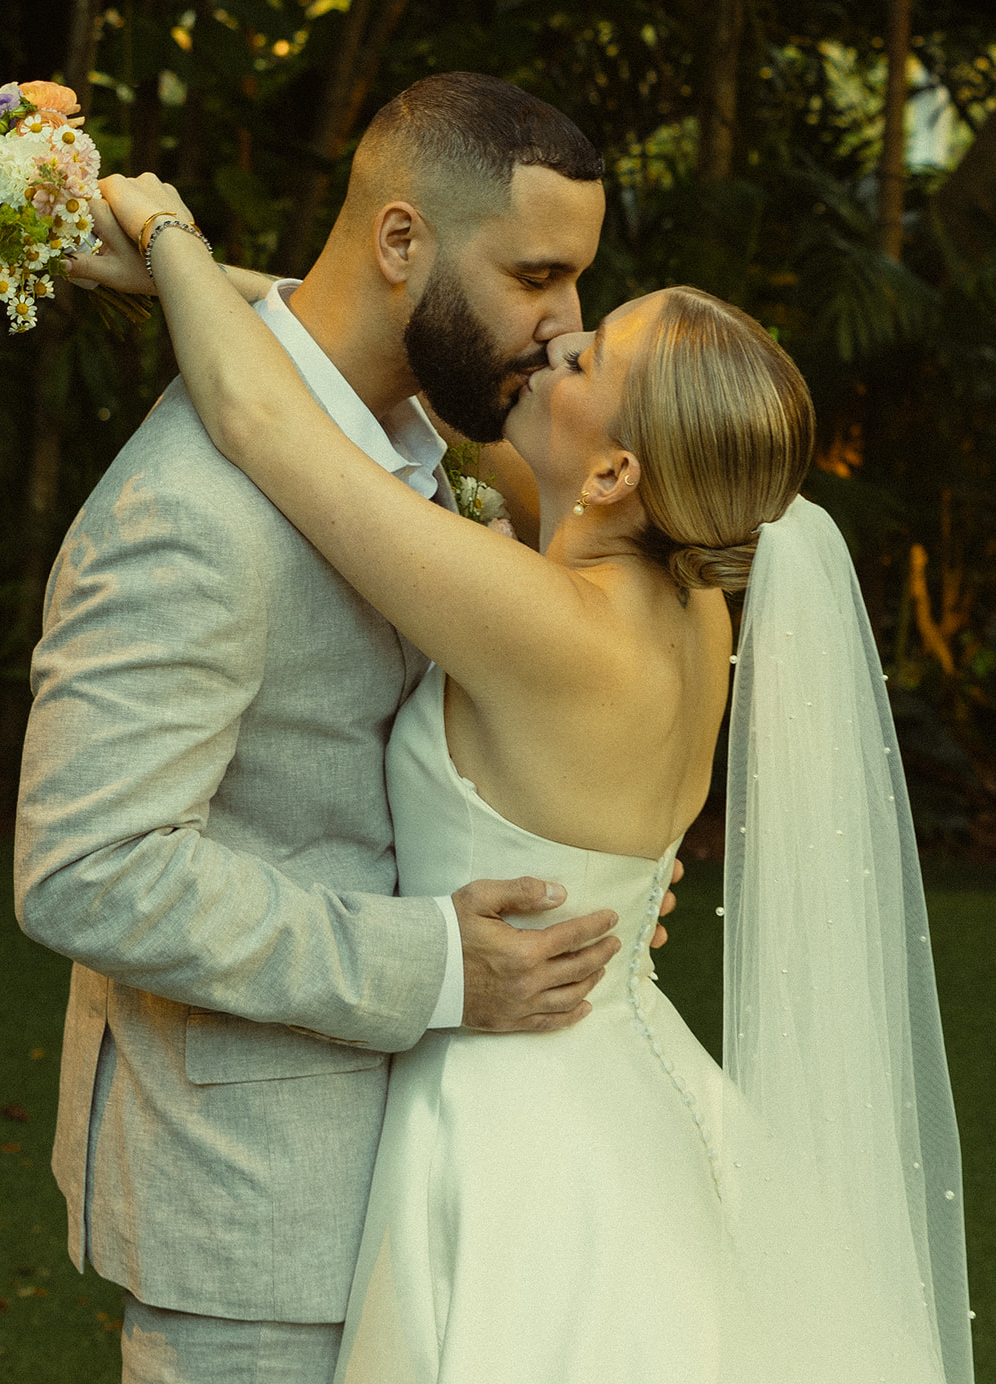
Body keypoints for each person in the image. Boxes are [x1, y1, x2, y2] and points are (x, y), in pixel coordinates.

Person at [88, 162, 975, 1384]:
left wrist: (164, 222)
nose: (544, 342)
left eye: (581, 357)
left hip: (511, 1119)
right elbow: (379, 362)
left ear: (613, 471)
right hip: (626, 1072)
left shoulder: (543, 619)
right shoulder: (685, 593)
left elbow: (265, 422)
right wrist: (203, 282)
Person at [15, 73, 685, 1384]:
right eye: (537, 278)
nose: (564, 331)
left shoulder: (433, 450)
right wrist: (434, 962)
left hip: (449, 1197)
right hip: (264, 1228)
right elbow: (86, 871)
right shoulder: (190, 513)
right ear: (399, 243)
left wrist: (577, 872)